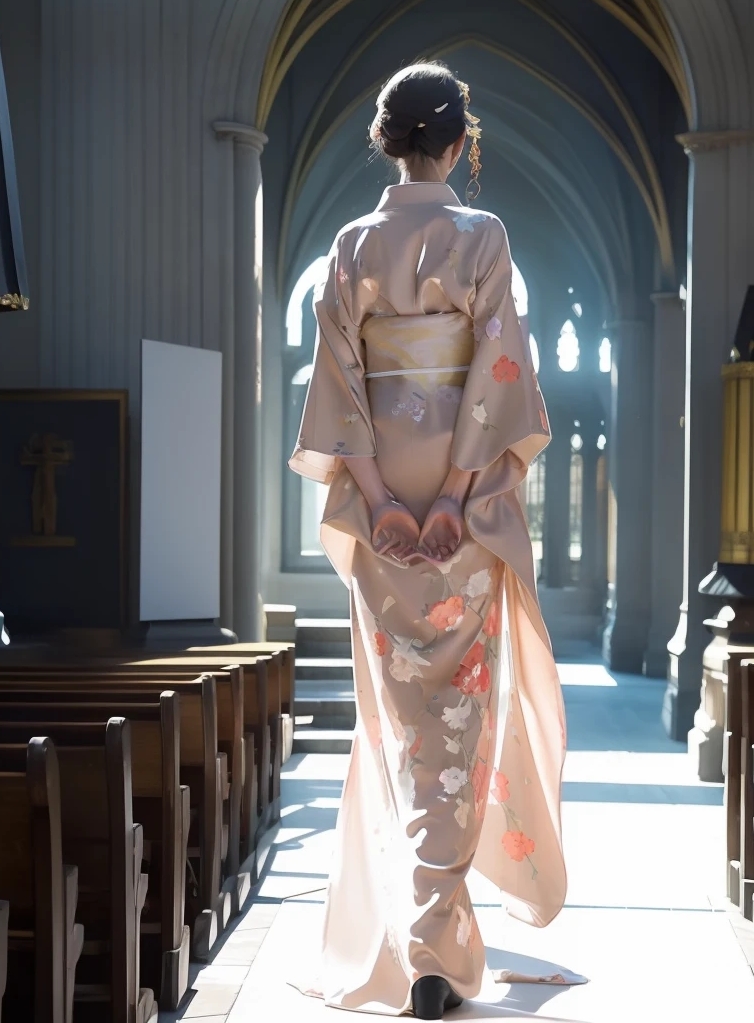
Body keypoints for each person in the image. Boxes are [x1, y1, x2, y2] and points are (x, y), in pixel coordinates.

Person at [290, 63, 567, 1016]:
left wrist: (380, 501)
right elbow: (499, 371)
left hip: (383, 526)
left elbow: (333, 379)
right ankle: (435, 945)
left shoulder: (352, 243)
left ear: (388, 141)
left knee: (401, 725)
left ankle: (426, 943)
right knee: (460, 724)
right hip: (463, 519)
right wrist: (452, 497)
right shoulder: (480, 237)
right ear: (458, 145)